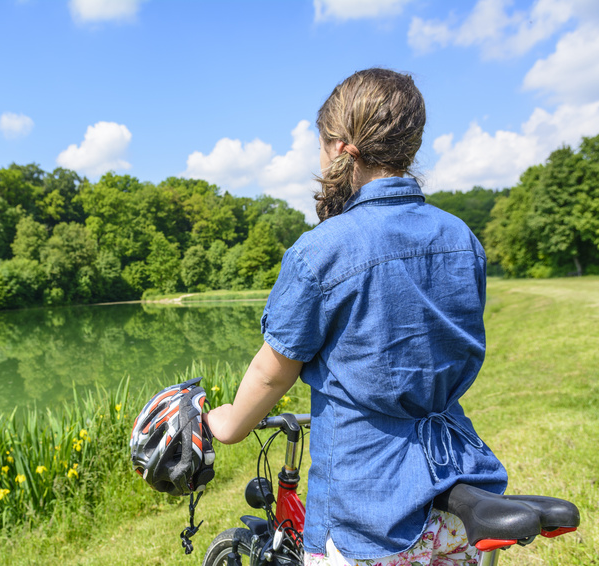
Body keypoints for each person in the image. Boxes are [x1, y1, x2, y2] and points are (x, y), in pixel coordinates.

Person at [204, 68, 508, 566]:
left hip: (369, 511)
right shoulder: (461, 239)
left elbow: (271, 370)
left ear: (342, 148)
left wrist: (228, 424)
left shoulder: (321, 251)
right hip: (457, 489)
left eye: (321, 145)